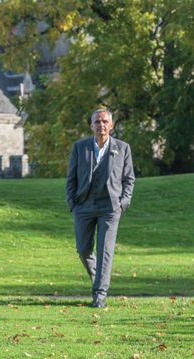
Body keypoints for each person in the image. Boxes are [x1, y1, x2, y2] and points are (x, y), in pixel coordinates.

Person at [66, 108, 135, 308]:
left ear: (111, 125)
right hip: (83, 206)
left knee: (105, 251)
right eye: (97, 122)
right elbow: (71, 177)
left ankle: (99, 295)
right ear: (91, 125)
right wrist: (72, 202)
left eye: (105, 121)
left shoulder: (122, 148)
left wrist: (123, 202)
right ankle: (99, 279)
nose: (101, 125)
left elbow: (129, 179)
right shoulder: (80, 147)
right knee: (83, 249)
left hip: (110, 207)